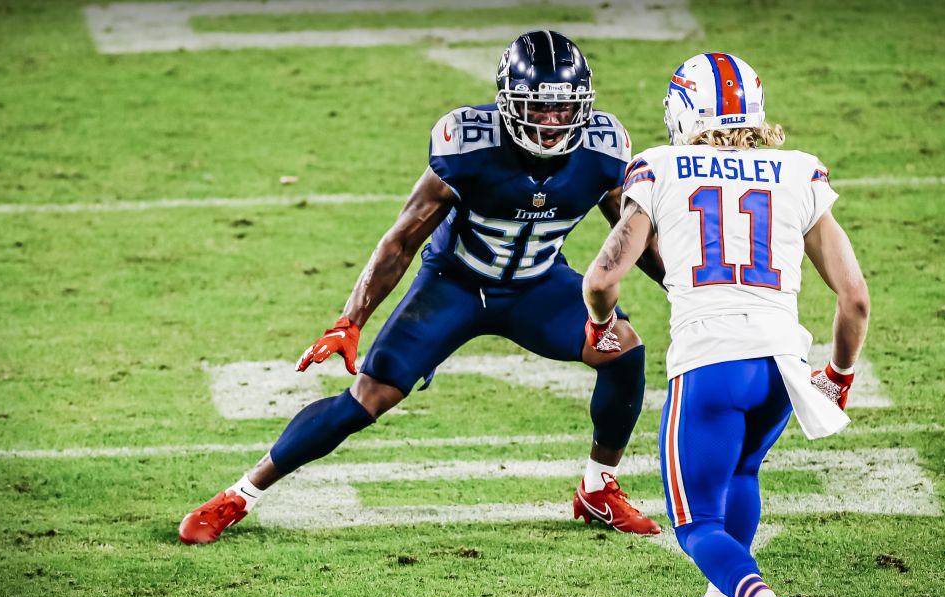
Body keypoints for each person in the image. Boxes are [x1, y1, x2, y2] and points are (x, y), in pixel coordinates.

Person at [179, 30, 666, 545]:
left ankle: (597, 486)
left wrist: (687, 290)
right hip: (454, 283)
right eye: (538, 107)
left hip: (539, 284)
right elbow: (401, 240)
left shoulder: (604, 149)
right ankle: (239, 495)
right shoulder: (469, 144)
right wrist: (350, 320)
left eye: (563, 108)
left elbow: (632, 240)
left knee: (623, 351)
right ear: (508, 102)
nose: (551, 122)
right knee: (369, 396)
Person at [581, 52, 870, 597]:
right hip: (779, 372)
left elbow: (601, 279)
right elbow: (854, 298)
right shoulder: (798, 172)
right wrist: (840, 376)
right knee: (741, 474)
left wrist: (601, 326)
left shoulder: (659, 166)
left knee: (696, 526)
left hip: (710, 366)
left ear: (683, 110)